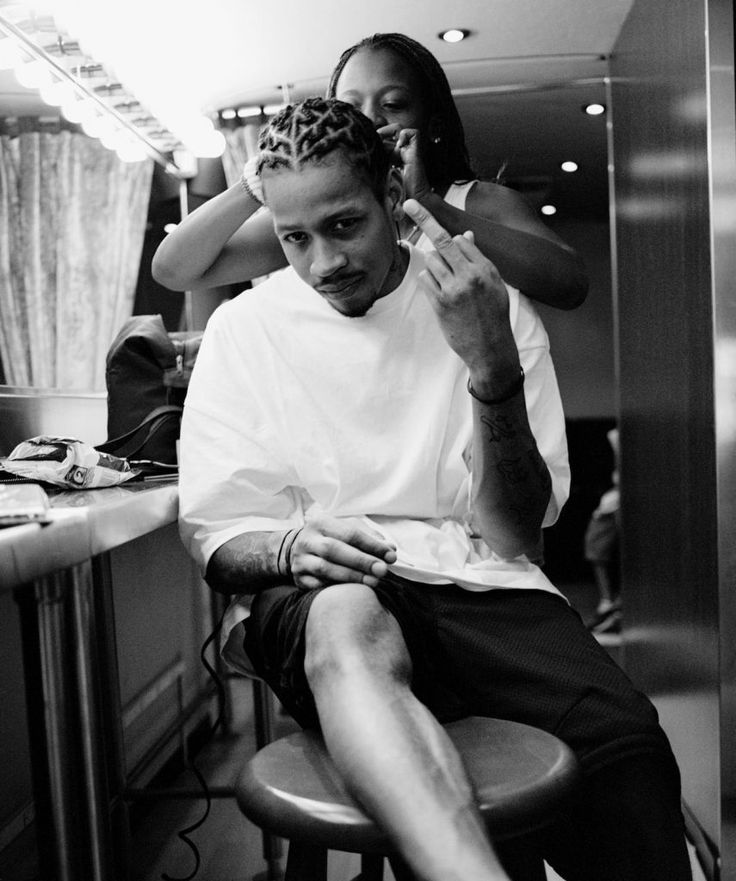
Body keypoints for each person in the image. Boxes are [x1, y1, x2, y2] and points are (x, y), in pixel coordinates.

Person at [178, 97, 691, 881]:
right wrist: (288, 544)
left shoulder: (486, 301)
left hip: (481, 581)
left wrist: (491, 367)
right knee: (350, 614)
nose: (323, 264)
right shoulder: (246, 331)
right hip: (328, 591)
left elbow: (516, 533)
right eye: (294, 239)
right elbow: (217, 535)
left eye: (344, 225)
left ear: (392, 195)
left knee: (628, 751)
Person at [152, 32, 587, 311]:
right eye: (350, 106)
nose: (370, 119)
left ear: (432, 125)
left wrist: (431, 208)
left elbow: (569, 286)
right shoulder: (313, 221)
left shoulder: (477, 202)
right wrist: (257, 180)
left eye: (392, 104)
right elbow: (175, 271)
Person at [584, 427, 621, 634]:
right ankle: (609, 601)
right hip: (610, 507)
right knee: (596, 552)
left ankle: (612, 604)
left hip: (616, 508)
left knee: (600, 552)